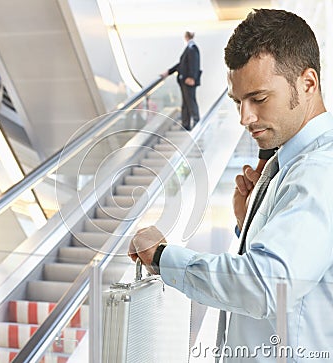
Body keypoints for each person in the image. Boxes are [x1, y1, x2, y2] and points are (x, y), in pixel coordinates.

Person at [129, 9, 333, 362]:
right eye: (238, 102)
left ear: (308, 83)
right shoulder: (289, 164)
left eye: (259, 98)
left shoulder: (319, 170)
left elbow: (270, 287)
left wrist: (163, 258)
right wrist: (248, 223)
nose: (244, 117)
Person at [162, 31, 201, 130]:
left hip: (188, 81)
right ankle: (185, 124)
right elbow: (181, 64)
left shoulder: (192, 48)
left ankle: (196, 121)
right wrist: (169, 72)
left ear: (186, 37)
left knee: (190, 101)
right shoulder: (189, 48)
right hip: (184, 81)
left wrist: (192, 77)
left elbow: (194, 64)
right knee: (186, 103)